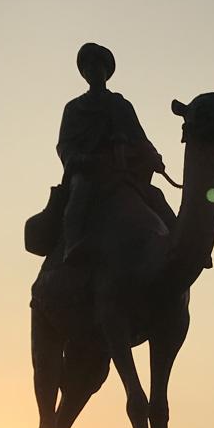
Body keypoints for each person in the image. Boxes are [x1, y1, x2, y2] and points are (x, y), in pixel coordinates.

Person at [56, 43, 174, 263]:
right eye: (88, 66)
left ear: (106, 70)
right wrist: (79, 159)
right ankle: (71, 248)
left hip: (122, 169)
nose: (93, 70)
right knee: (79, 197)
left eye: (97, 65)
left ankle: (182, 246)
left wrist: (153, 156)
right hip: (88, 170)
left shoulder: (120, 105)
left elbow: (139, 138)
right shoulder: (73, 108)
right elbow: (64, 144)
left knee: (156, 196)